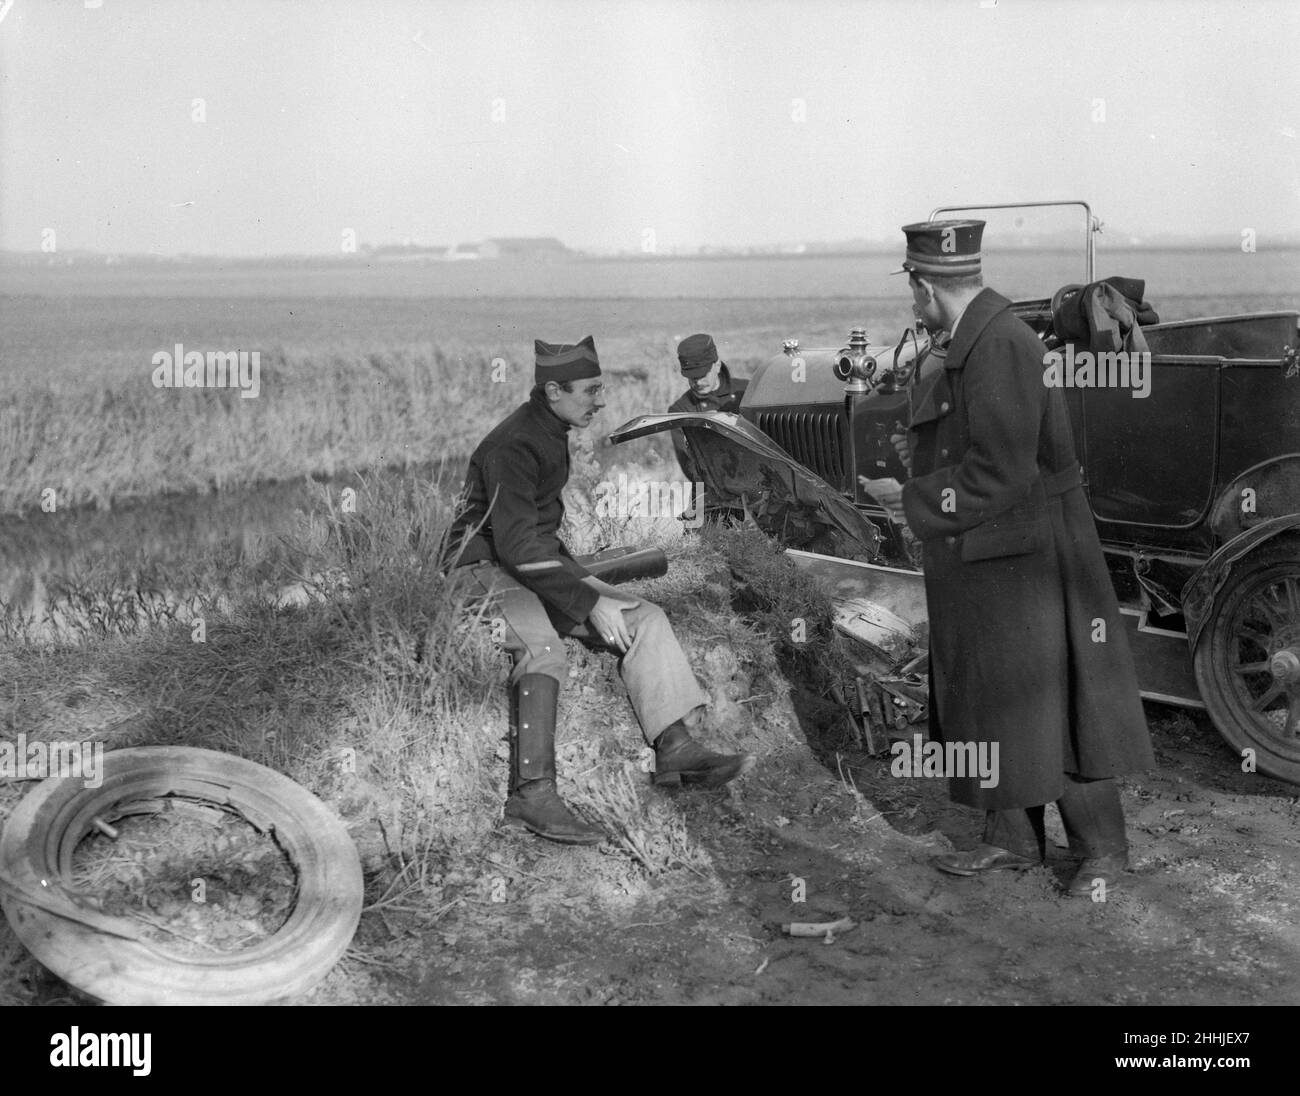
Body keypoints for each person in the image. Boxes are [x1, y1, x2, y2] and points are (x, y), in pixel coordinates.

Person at [859, 220, 1154, 897]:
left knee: (1057, 699)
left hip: (1032, 554)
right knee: (1001, 700)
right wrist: (931, 461)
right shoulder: (980, 340)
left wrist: (909, 499)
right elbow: (985, 449)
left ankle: (1103, 851)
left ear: (925, 283)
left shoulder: (999, 347)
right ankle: (1015, 841)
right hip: (1000, 548)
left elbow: (999, 472)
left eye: (912, 288)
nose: (910, 302)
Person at [450, 335, 755, 846]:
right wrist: (588, 600)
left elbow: (537, 544)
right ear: (553, 391)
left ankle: (675, 749)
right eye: (590, 390)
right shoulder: (515, 444)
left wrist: (589, 589)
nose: (601, 400)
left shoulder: (549, 430)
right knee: (542, 651)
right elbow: (517, 546)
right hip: (480, 568)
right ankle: (531, 796)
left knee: (646, 617)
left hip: (528, 564)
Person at [667, 333, 748, 501]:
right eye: (691, 378)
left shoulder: (747, 393)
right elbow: (689, 465)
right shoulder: (681, 410)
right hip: (712, 495)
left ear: (717, 365)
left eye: (702, 375)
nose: (697, 382)